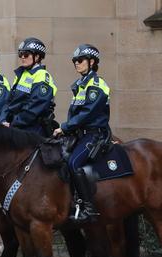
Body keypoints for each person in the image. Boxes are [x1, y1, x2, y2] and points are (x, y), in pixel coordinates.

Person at [53, 44, 110, 223]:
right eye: (74, 61)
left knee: (74, 163)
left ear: (92, 62)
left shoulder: (97, 85)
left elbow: (88, 113)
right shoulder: (80, 85)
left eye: (80, 60)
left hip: (94, 134)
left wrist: (65, 127)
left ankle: (89, 208)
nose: (76, 63)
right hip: (80, 134)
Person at [3, 37, 58, 136]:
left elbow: (35, 107)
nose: (22, 57)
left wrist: (14, 123)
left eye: (26, 54)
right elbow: (10, 101)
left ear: (37, 57)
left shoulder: (42, 75)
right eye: (20, 54)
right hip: (17, 125)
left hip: (33, 127)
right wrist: (5, 119)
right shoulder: (21, 75)